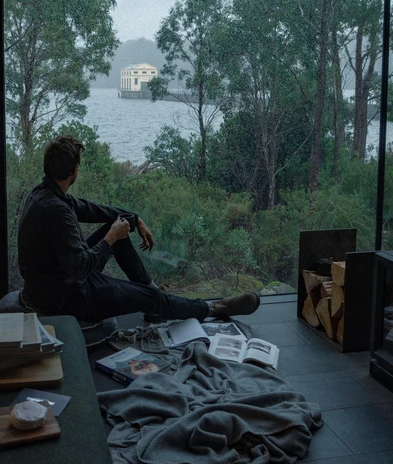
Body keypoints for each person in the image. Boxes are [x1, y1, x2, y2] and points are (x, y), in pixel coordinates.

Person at [17, 134, 261, 323]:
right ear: (74, 171)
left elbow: (88, 209)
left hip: (59, 280)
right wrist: (111, 237)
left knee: (119, 228)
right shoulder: (56, 210)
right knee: (150, 296)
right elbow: (79, 267)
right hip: (66, 296)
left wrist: (132, 219)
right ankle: (212, 308)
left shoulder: (46, 194)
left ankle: (155, 297)